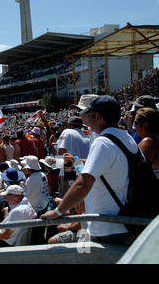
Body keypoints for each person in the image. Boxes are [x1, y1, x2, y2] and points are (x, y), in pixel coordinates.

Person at [41, 95, 137, 246]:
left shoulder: (102, 142)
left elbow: (82, 184)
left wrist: (57, 212)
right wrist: (77, 161)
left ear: (98, 117)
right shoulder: (128, 138)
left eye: (88, 114)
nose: (84, 117)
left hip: (106, 227)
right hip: (125, 221)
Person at [134, 107, 159, 178]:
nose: (134, 126)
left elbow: (136, 169)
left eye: (136, 122)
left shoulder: (148, 142)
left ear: (145, 125)